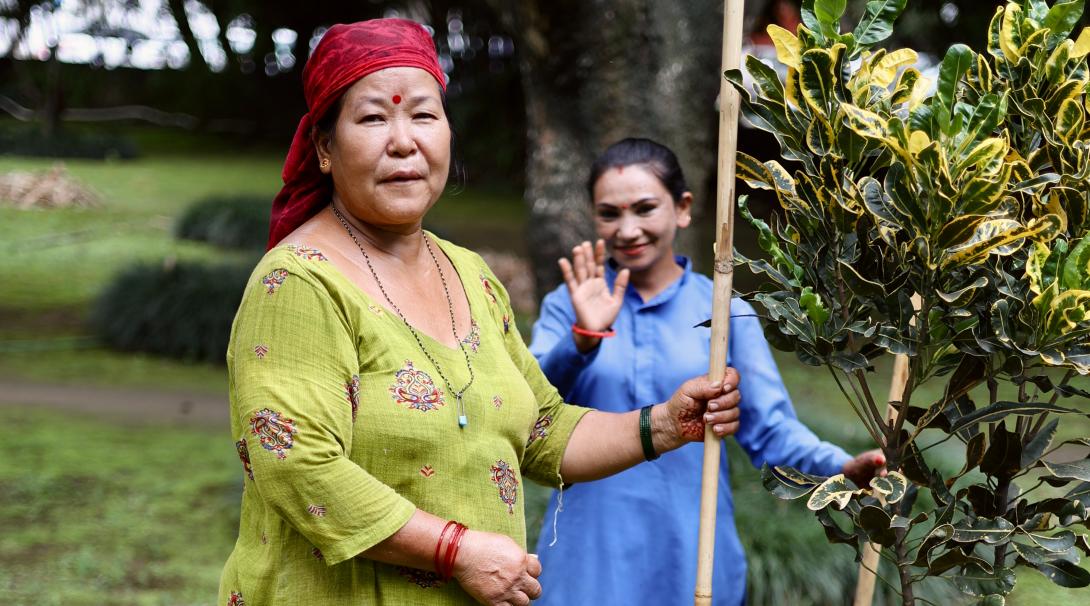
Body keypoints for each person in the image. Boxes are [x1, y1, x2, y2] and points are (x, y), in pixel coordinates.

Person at [218, 21, 742, 606]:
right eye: (372, 118)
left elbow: (543, 431)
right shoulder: (301, 283)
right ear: (323, 147)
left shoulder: (469, 275)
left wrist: (665, 423)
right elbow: (300, 467)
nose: (403, 141)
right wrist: (457, 550)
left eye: (423, 115)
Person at [529, 138, 885, 606]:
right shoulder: (567, 306)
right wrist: (581, 340)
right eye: (609, 213)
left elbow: (771, 431)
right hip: (587, 555)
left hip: (691, 551)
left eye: (645, 208)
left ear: (683, 208)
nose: (628, 229)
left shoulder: (724, 311)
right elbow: (530, 413)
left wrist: (840, 467)